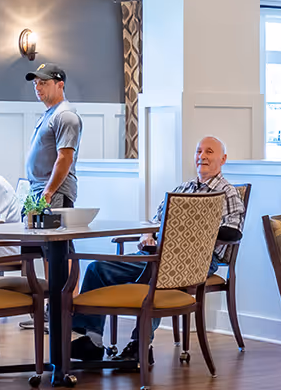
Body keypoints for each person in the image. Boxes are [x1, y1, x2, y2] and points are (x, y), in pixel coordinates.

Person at [70, 136, 244, 362]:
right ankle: (93, 341)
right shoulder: (182, 188)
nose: (202, 156)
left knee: (158, 275)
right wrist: (147, 236)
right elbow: (154, 221)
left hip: (197, 259)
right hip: (156, 254)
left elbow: (234, 231)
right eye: (199, 151)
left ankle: (139, 345)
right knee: (96, 269)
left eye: (209, 152)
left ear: (223, 159)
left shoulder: (227, 192)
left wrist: (189, 238)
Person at [24, 63, 81, 208]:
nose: (37, 88)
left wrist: (48, 192)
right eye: (35, 83)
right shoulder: (50, 114)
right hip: (39, 190)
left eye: (43, 83)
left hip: (54, 193)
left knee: (52, 231)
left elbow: (65, 158)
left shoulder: (65, 115)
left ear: (60, 85)